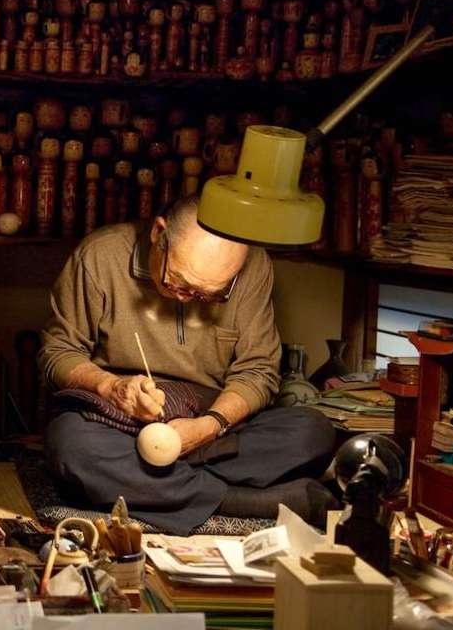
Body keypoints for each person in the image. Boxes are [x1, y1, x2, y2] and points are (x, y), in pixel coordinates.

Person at [39, 195, 337, 535]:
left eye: (211, 294)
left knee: (313, 433)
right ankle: (245, 501)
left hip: (213, 424)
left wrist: (210, 426)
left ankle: (153, 486)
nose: (188, 298)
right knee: (71, 446)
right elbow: (58, 351)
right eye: (178, 283)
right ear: (158, 234)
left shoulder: (253, 265)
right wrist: (111, 387)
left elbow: (259, 371)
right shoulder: (100, 255)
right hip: (121, 420)